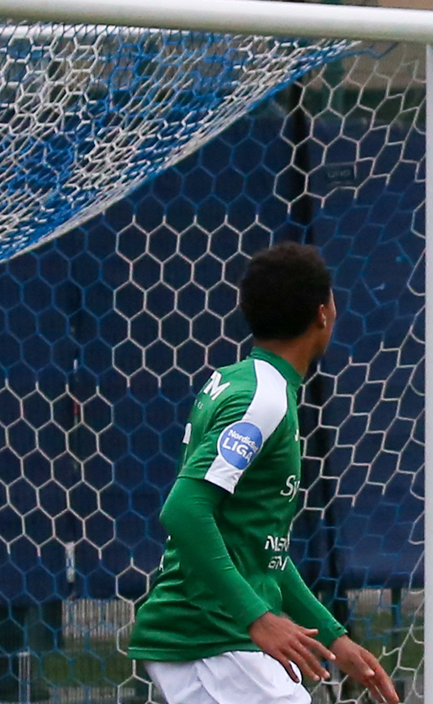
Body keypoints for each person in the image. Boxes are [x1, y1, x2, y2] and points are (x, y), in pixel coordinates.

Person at [126, 243, 399, 704]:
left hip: (212, 634)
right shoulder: (262, 398)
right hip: (212, 636)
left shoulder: (244, 384)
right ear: (323, 313)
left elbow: (261, 551)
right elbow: (184, 509)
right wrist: (257, 617)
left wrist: (335, 637)